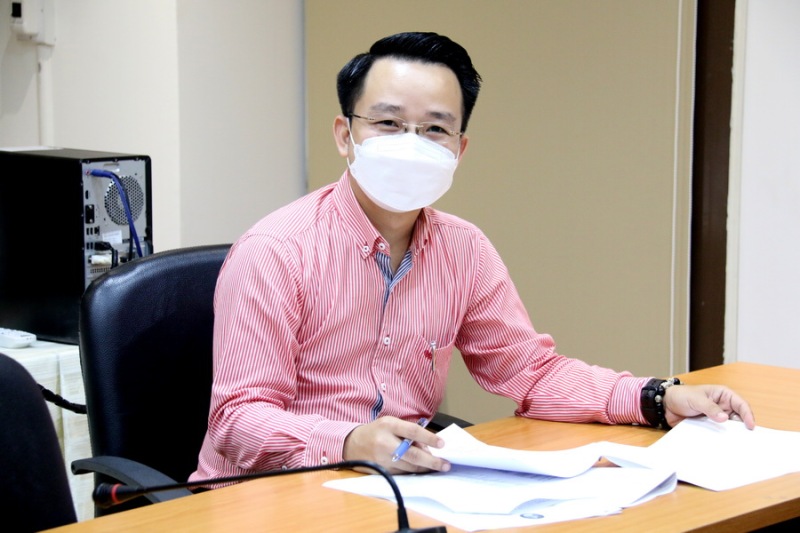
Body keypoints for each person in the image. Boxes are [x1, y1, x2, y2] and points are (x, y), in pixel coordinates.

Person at [190, 31, 754, 483]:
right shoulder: (277, 251)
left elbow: (530, 372)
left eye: (435, 129)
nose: (410, 142)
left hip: (396, 488)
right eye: (387, 123)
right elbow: (237, 422)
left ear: (459, 149)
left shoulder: (463, 249)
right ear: (345, 135)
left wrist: (657, 398)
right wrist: (348, 441)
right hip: (269, 495)